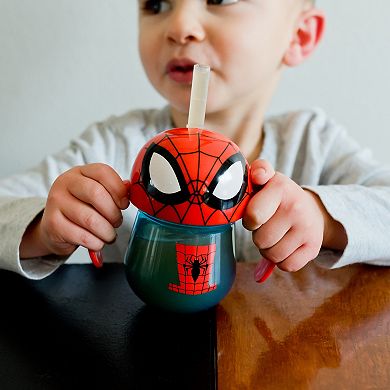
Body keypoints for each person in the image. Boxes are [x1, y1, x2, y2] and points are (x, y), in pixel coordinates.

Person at [1, 0, 390, 281]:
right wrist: (43, 228)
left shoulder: (313, 143)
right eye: (155, 4)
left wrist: (323, 217)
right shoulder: (112, 146)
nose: (180, 25)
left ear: (299, 35)